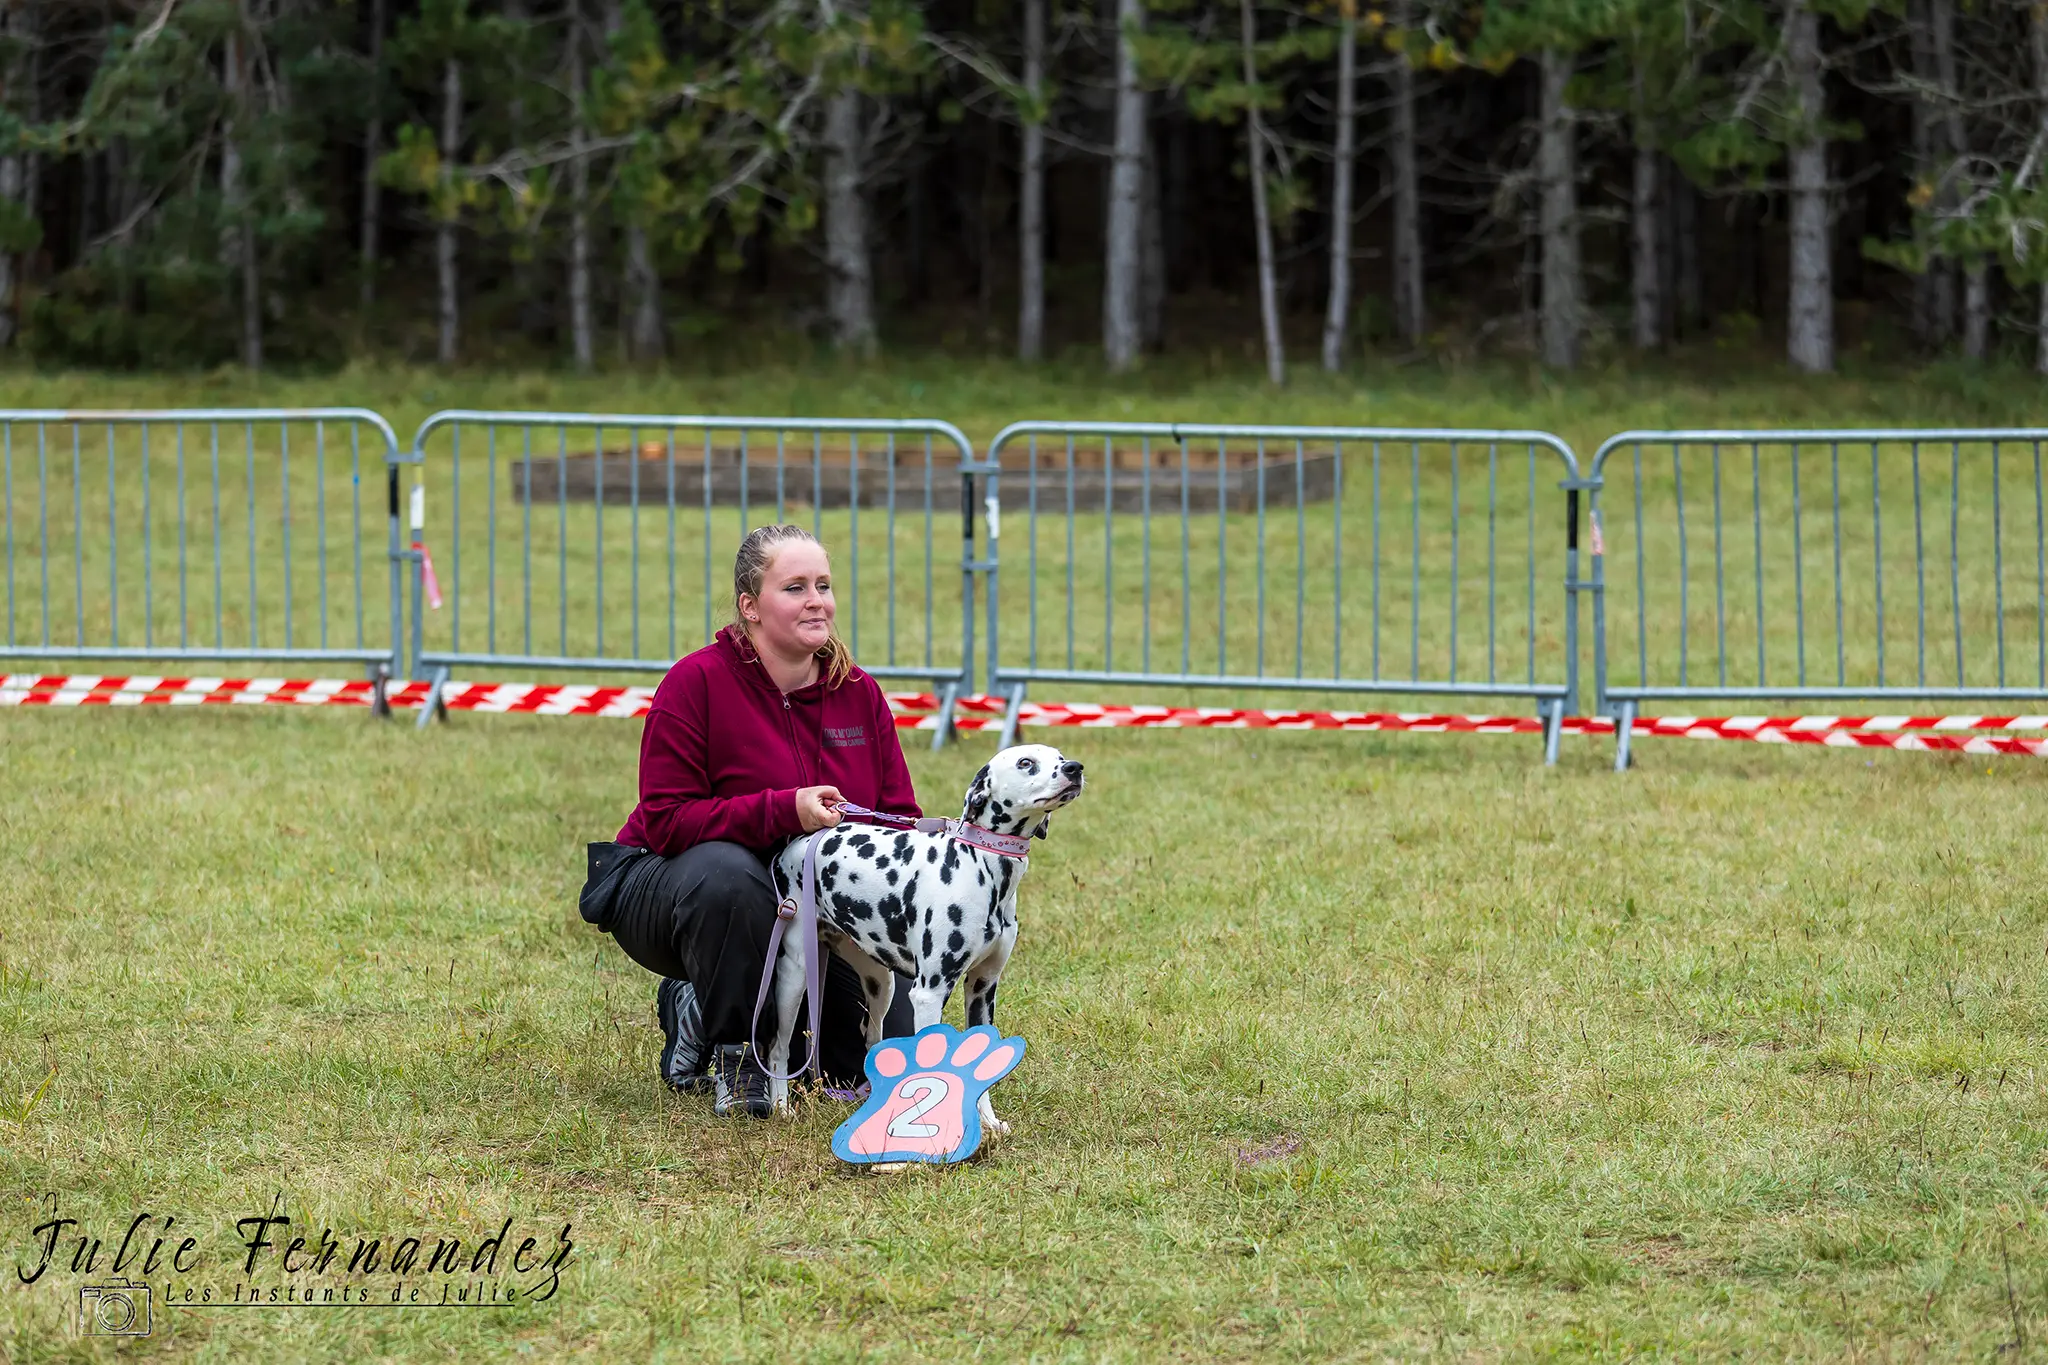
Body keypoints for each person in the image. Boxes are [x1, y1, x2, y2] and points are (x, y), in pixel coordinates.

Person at [577, 524, 918, 1117]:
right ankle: (739, 1052)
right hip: (674, 884)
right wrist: (786, 809)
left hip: (814, 911)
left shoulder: (859, 693)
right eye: (794, 587)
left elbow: (901, 823)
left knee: (875, 1057)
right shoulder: (695, 682)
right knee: (731, 876)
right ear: (750, 606)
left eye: (824, 585)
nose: (817, 600)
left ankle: (700, 1005)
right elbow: (667, 820)